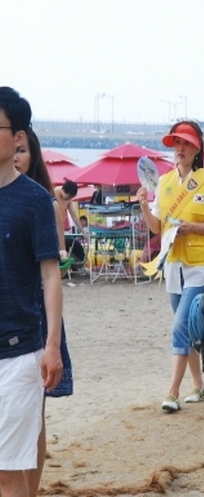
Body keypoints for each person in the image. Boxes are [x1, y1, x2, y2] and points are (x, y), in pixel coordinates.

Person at [0, 86, 63, 497]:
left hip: (18, 351)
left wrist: (52, 346)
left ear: (19, 136)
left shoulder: (35, 200)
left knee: (8, 473)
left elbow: (51, 276)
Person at [137, 121, 204, 412]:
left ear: (197, 148)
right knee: (188, 329)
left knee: (180, 327)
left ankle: (172, 392)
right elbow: (156, 227)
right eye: (176, 143)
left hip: (200, 266)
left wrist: (193, 227)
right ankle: (198, 385)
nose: (179, 148)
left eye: (185, 143)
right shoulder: (165, 183)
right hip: (173, 265)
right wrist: (144, 205)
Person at [14, 128, 74, 496]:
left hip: (35, 311)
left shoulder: (43, 203)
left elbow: (53, 265)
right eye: (14, 150)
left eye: (23, 150)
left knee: (33, 415)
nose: (17, 156)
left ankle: (30, 490)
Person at [54, 180, 90, 246]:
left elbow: (74, 216)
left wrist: (83, 232)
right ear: (64, 190)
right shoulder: (55, 192)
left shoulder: (69, 200)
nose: (68, 199)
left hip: (59, 227)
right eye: (69, 196)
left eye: (71, 197)